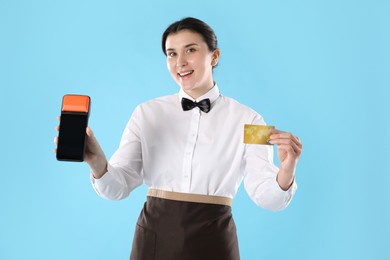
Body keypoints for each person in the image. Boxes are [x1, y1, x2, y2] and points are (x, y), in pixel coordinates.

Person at [56, 17, 302, 260]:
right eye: (171, 54)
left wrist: (287, 170)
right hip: (153, 239)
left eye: (191, 50)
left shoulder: (250, 120)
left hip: (214, 240)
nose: (180, 62)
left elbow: (267, 197)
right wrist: (97, 161)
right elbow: (117, 188)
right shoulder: (146, 113)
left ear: (214, 57)